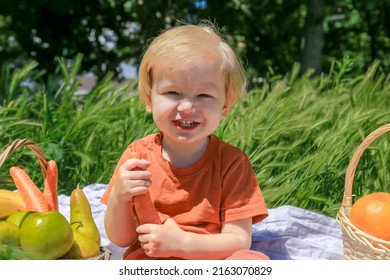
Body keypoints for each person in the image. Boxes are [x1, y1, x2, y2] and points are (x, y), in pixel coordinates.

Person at [101, 20, 269, 260]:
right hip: (153, 257)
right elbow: (122, 239)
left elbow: (239, 240)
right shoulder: (138, 156)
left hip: (212, 257)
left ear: (225, 105)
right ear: (149, 98)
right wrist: (119, 196)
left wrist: (182, 244)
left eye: (203, 95)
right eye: (172, 93)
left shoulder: (232, 163)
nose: (188, 106)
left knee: (254, 262)